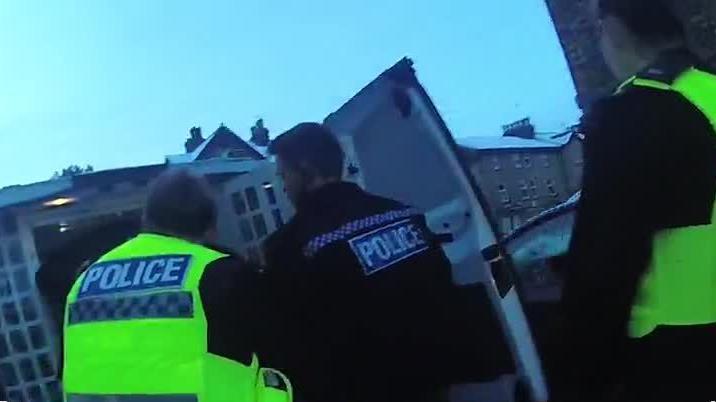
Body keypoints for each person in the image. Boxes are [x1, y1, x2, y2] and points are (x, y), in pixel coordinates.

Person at [262, 123, 512, 402]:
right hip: (433, 380)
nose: (284, 187)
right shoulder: (403, 214)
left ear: (305, 169)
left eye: (284, 175)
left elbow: (296, 347)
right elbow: (442, 288)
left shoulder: (291, 246)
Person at [562, 0, 716, 401]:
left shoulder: (633, 113)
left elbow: (603, 264)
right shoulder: (709, 91)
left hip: (678, 357)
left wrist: (581, 379)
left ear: (613, 28)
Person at [63, 169, 292, 402]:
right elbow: (284, 360)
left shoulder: (84, 283)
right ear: (211, 228)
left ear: (146, 220)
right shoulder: (221, 275)